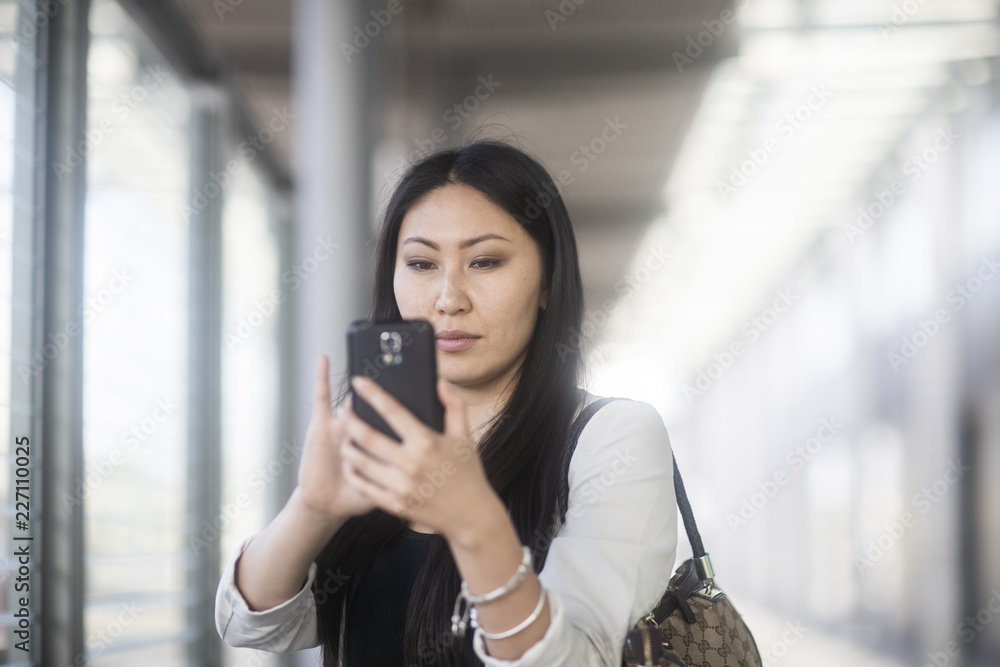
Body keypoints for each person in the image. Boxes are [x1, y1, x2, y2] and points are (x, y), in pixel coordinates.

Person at [215, 140, 678, 666]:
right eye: (420, 263)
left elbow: (576, 658)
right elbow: (254, 625)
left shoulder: (611, 436)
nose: (448, 297)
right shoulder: (383, 440)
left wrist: (473, 520)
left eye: (484, 261)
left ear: (548, 280)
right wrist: (313, 508)